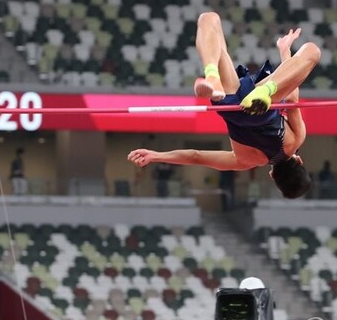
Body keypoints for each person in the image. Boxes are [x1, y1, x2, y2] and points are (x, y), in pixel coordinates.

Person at [128, 12, 321, 199]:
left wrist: (285, 52)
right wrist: (155, 156)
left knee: (312, 51)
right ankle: (216, 80)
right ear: (272, 176)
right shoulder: (245, 162)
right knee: (210, 22)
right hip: (231, 106)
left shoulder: (296, 140)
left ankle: (222, 78)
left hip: (262, 104)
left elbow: (292, 98)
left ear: (300, 161)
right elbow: (196, 156)